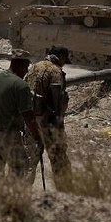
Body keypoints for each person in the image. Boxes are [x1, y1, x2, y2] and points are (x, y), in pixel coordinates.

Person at [0, 49, 44, 184]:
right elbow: (28, 116)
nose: (26, 71)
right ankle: (13, 198)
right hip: (7, 133)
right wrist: (38, 137)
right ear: (21, 65)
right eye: (26, 67)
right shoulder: (21, 86)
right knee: (19, 168)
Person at [25, 45, 72, 189]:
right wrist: (58, 124)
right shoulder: (56, 71)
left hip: (30, 121)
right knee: (59, 160)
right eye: (65, 60)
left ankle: (21, 193)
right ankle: (65, 192)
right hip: (49, 123)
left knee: (29, 161)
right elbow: (57, 100)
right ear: (61, 57)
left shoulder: (32, 68)